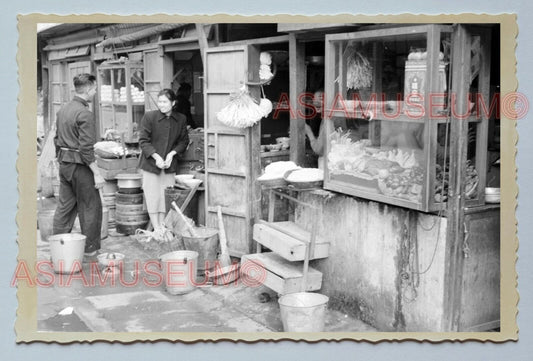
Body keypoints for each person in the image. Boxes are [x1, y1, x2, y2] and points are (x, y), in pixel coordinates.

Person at [53, 73, 105, 257]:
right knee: (90, 206)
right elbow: (86, 149)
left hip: (65, 164)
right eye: (95, 88)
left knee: (64, 207)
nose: (96, 91)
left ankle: (58, 247)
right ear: (89, 89)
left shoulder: (63, 109)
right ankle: (90, 249)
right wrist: (97, 173)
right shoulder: (85, 113)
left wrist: (61, 159)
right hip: (80, 167)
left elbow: (56, 139)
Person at [138, 89, 189, 232]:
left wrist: (172, 154)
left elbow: (183, 141)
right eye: (160, 102)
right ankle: (157, 229)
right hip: (151, 164)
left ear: (173, 103)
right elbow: (143, 141)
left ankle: (163, 227)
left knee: (165, 197)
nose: (162, 105)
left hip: (169, 165)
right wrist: (156, 157)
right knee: (153, 197)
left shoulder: (180, 119)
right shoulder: (149, 117)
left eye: (165, 102)